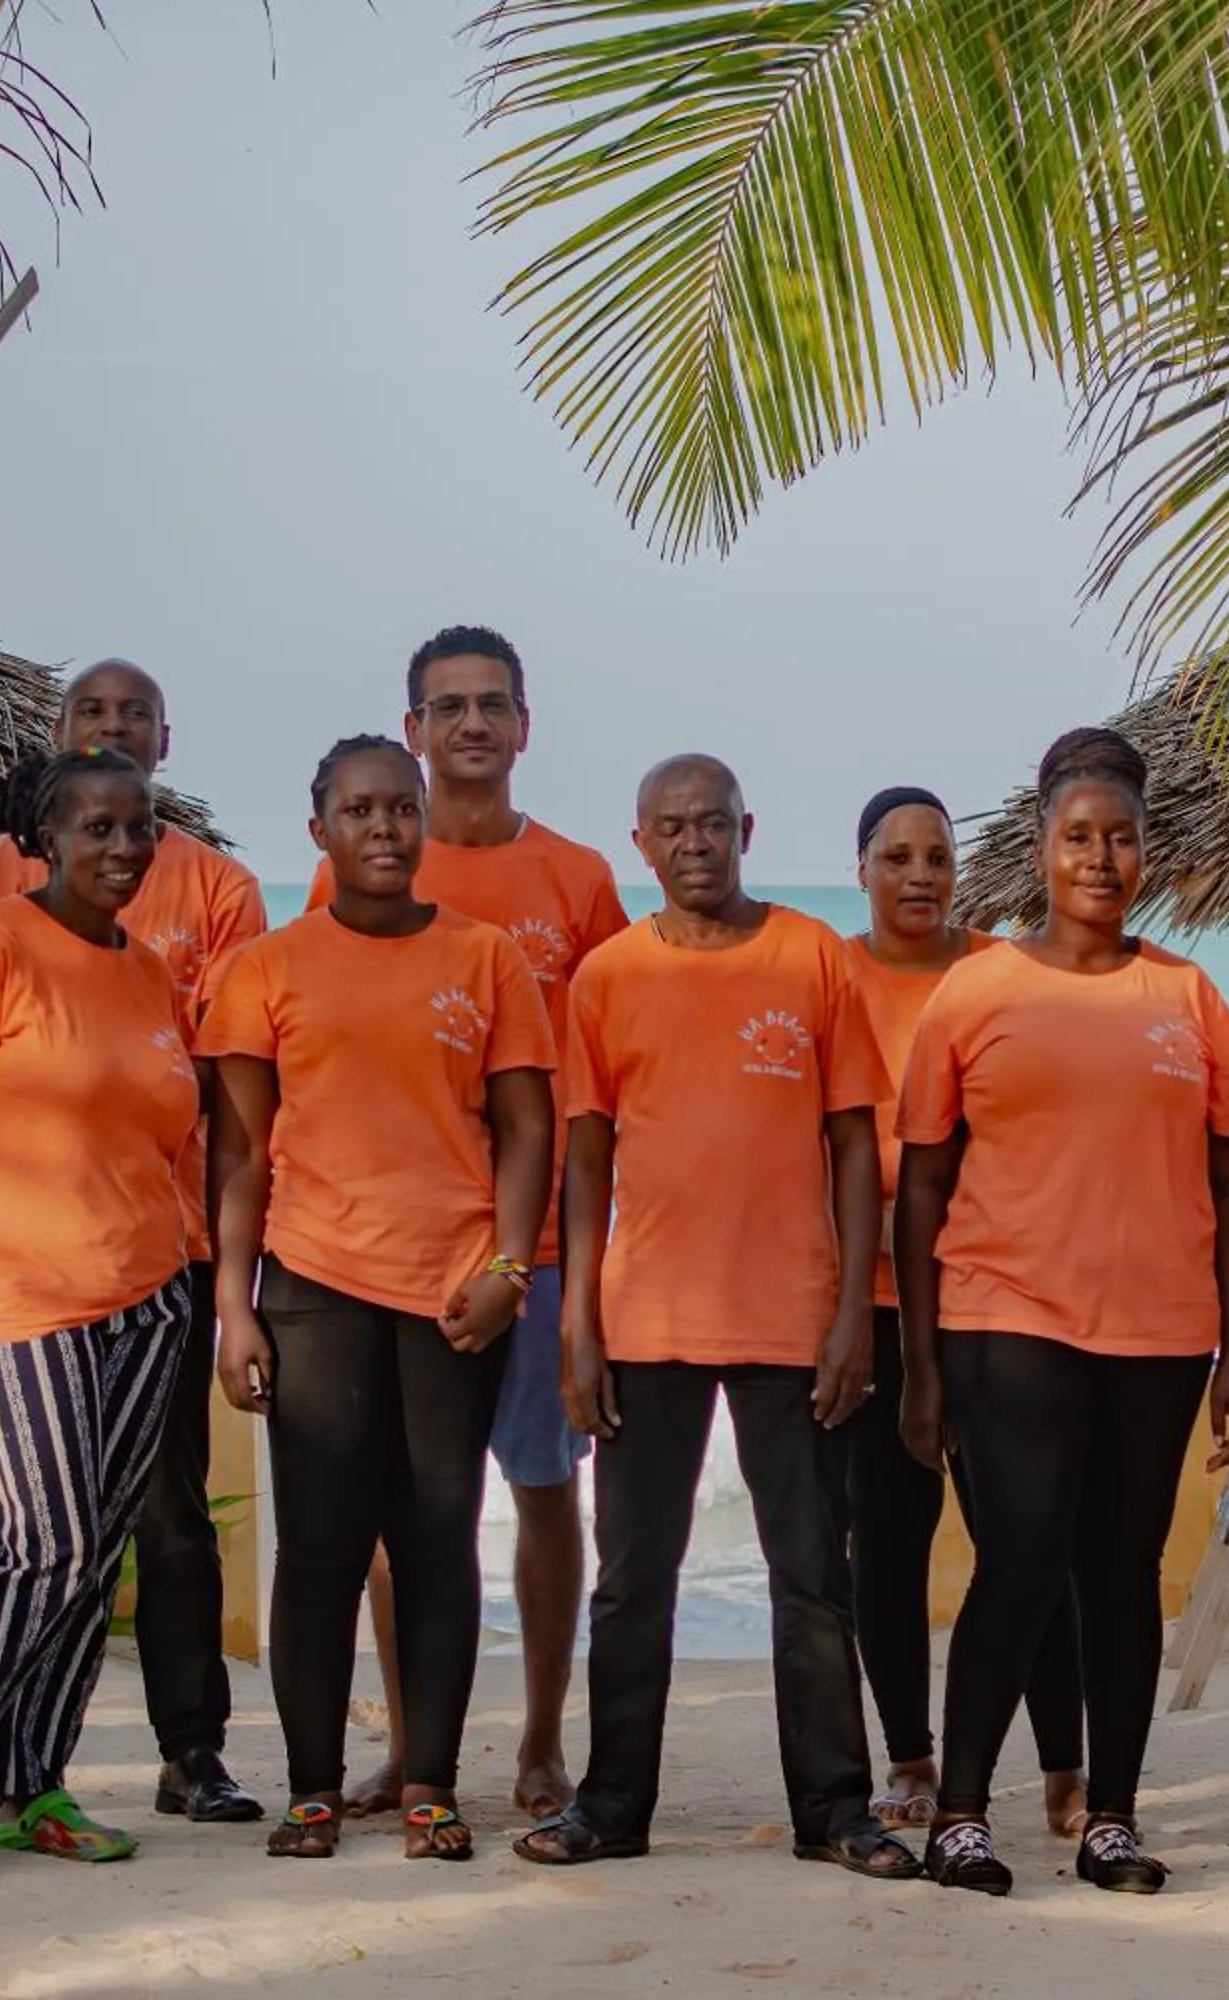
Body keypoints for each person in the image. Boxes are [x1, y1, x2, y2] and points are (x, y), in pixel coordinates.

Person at [514, 755, 916, 1881]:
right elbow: (585, 1159)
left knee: (811, 1575)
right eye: (672, 826)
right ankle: (613, 1801)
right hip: (646, 1320)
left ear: (748, 828)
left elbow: (851, 1142)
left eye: (714, 823)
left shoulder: (812, 957)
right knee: (633, 1578)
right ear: (641, 843)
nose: (695, 842)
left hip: (794, 1318)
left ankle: (835, 1805)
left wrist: (851, 1312)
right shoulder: (606, 978)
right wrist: (579, 1327)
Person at [896, 727, 1229, 1899]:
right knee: (1020, 1556)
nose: (1102, 857)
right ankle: (960, 1814)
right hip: (1009, 1316)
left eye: (1122, 838)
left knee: (1122, 1571)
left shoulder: (1190, 996)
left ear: (1149, 852)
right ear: (1041, 849)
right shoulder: (977, 988)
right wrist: (921, 1361)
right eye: (1079, 837)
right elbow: (923, 1182)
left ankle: (1111, 1816)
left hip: (1158, 1332)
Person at [203, 735, 557, 1864]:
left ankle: (430, 1782)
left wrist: (508, 1270)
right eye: (360, 811)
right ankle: (311, 1787)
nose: (387, 829)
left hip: (453, 1295)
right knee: (317, 1547)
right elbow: (241, 1153)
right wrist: (235, 1301)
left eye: (401, 809)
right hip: (312, 1284)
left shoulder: (487, 957)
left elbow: (525, 1129)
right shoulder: (266, 969)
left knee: (437, 1539)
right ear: (320, 832)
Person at [0, 659, 268, 1826]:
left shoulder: (216, 887)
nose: (111, 726)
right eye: (90, 713)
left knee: (170, 1512)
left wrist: (226, 1270)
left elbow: (229, 1080)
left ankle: (184, 1754)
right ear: (55, 747)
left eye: (132, 718)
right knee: (24, 1527)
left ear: (163, 748)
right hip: (26, 1275)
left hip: (162, 1256)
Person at [304, 626, 627, 1822]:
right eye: (448, 707)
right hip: (395, 1252)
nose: (473, 724)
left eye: (494, 704)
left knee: (546, 1488)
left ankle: (541, 1739)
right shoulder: (378, 864)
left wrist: (577, 1267)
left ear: (526, 727)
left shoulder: (580, 879)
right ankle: (416, 1742)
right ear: (415, 731)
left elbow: (596, 1090)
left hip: (535, 1248)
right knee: (403, 1509)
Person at [0, 748, 205, 1875]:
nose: (123, 847)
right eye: (99, 827)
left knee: (94, 1548)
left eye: (140, 826)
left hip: (148, 1298)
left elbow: (158, 1135)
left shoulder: (152, 973)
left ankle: (32, 1782)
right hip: (16, 1303)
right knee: (40, 1542)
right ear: (48, 838)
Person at [839, 787, 1087, 1839]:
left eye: (936, 854)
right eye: (896, 855)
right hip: (876, 1309)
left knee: (1025, 1539)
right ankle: (911, 1756)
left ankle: (1065, 1766)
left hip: (993, 1302)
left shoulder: (1002, 973)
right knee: (886, 1542)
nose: (920, 874)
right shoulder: (829, 976)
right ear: (862, 869)